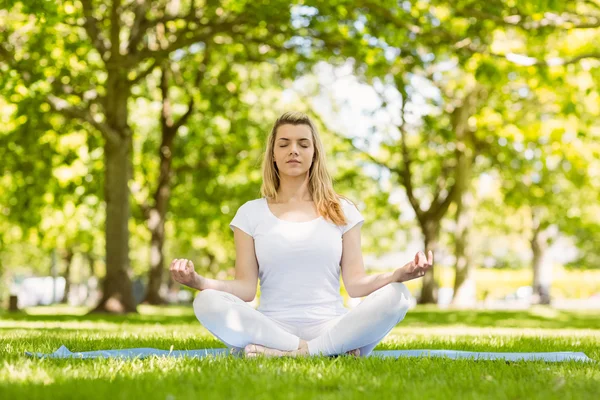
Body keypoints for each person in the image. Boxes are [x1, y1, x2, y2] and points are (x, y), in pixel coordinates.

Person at [169, 111, 433, 358]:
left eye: (303, 144)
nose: (293, 150)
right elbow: (246, 289)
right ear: (272, 154)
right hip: (272, 327)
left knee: (397, 295)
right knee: (205, 301)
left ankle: (300, 351)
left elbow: (356, 284)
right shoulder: (250, 214)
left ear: (314, 153)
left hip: (332, 325)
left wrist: (398, 275)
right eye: (284, 144)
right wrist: (197, 280)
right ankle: (325, 350)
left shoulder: (342, 210)